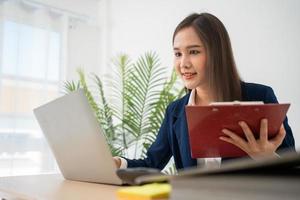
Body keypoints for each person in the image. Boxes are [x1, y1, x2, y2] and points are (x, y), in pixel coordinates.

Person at [113, 13, 295, 170]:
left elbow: (293, 173)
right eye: (177, 54)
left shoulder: (260, 97)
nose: (183, 63)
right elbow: (152, 164)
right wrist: (116, 163)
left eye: (193, 52)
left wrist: (267, 158)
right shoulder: (175, 111)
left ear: (217, 53)